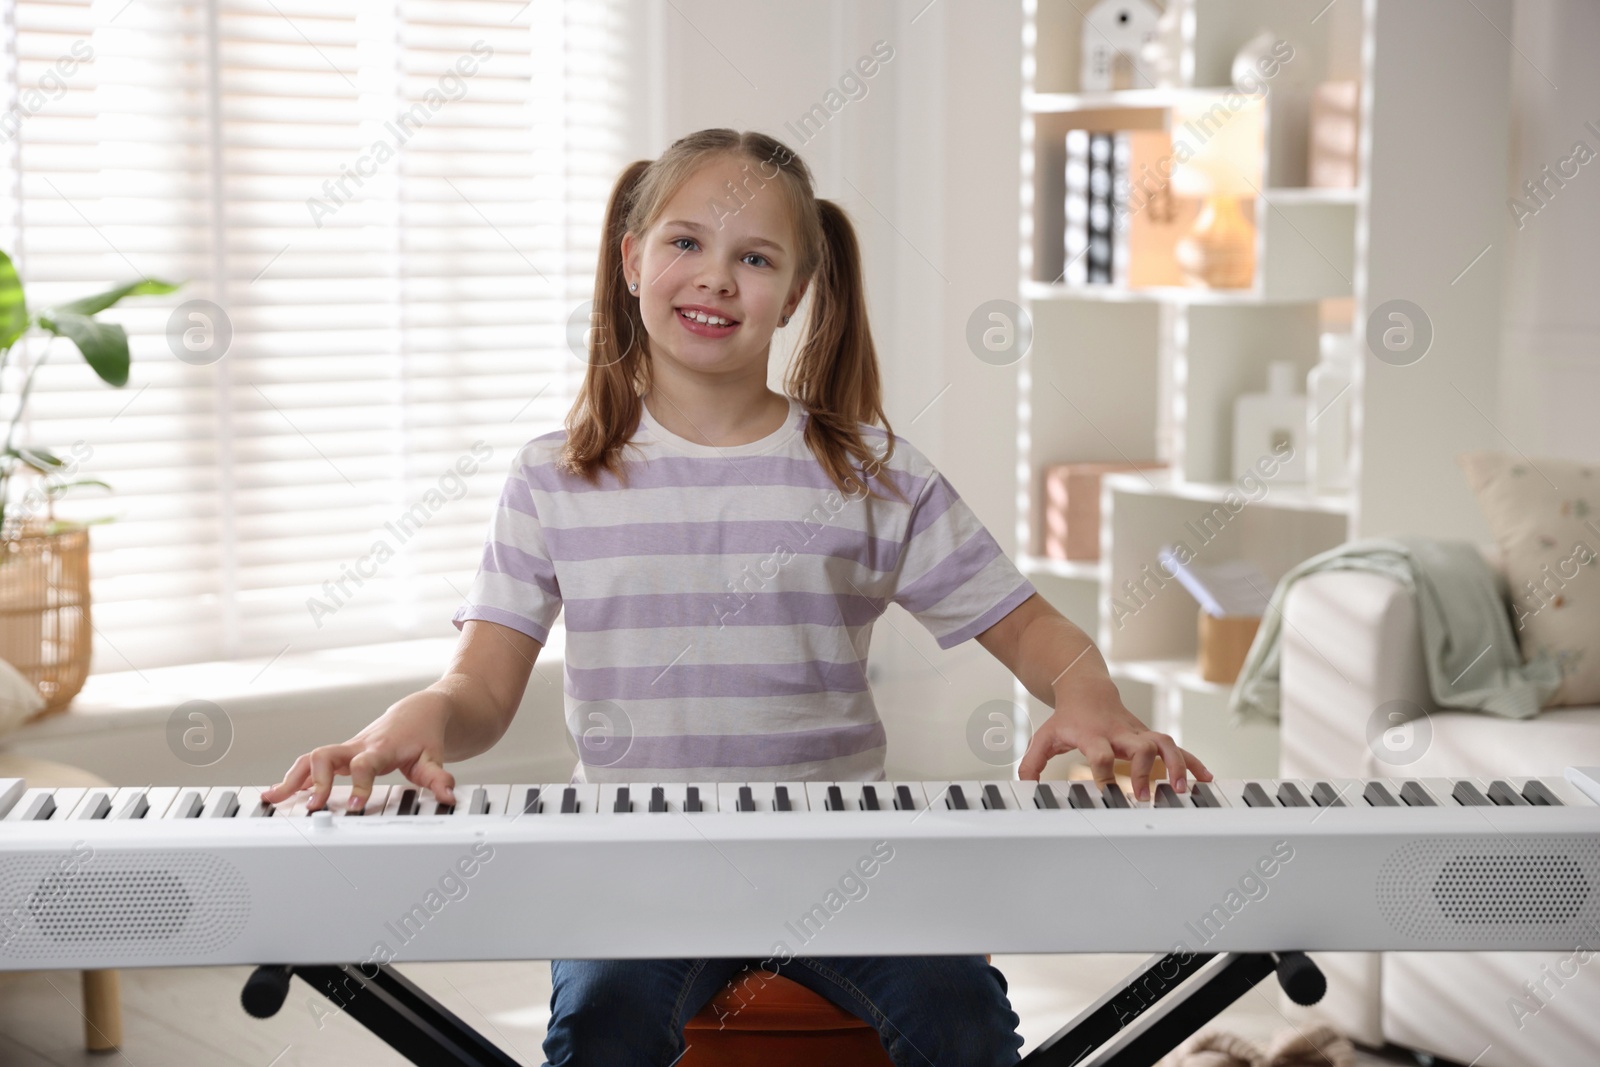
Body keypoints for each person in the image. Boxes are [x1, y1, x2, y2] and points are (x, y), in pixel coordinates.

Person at [261, 127, 1212, 1067]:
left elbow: (1031, 623)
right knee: (599, 1027)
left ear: (795, 293)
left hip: (841, 856)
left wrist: (1092, 700)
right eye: (686, 242)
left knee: (963, 1020)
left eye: (753, 257)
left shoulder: (869, 474)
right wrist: (407, 724)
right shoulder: (555, 477)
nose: (716, 277)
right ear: (632, 260)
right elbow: (479, 687)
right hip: (638, 863)